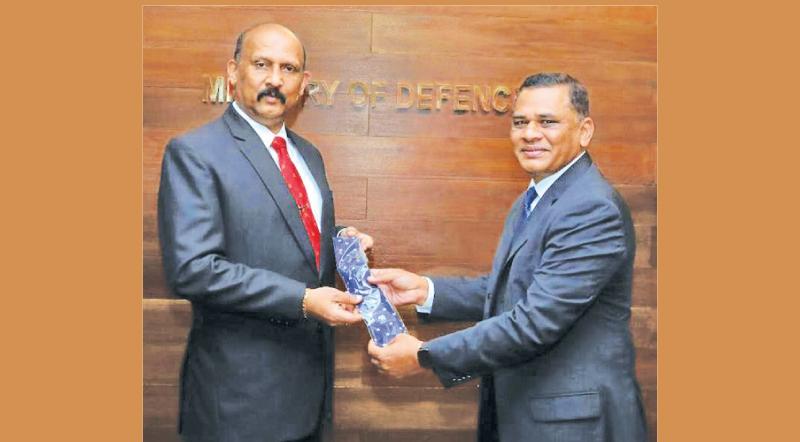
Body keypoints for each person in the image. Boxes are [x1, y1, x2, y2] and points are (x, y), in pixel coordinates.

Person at [367, 73, 648, 441]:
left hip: (574, 428)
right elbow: (513, 288)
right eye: (520, 122)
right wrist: (425, 291)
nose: (530, 133)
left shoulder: (591, 207)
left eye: (547, 121)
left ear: (584, 131)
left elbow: (533, 322)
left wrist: (424, 355)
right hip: (529, 415)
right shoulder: (536, 197)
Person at [158, 23, 372, 442]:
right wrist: (304, 300)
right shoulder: (195, 153)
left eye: (288, 69)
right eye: (261, 65)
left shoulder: (307, 153)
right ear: (233, 72)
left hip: (310, 393)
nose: (275, 80)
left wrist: (340, 238)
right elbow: (194, 269)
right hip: (238, 402)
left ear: (303, 84)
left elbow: (291, 229)